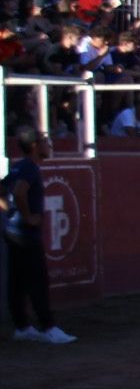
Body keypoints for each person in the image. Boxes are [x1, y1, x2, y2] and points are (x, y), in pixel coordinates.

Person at [1, 126, 76, 343]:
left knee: (17, 281)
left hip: (13, 232)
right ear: (34, 146)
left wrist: (9, 213)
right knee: (38, 281)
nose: (48, 144)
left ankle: (22, 326)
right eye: (44, 140)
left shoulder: (19, 166)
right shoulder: (30, 169)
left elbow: (3, 191)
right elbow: (19, 192)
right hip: (26, 234)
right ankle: (48, 327)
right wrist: (27, 217)